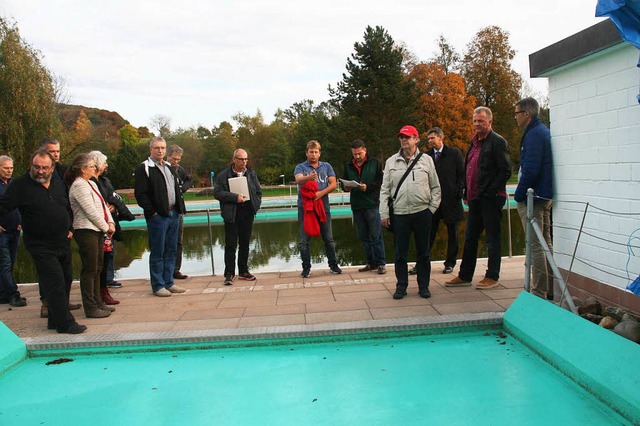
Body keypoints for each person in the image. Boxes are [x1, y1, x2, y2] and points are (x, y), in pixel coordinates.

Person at [0, 149, 86, 333]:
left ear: (52, 167)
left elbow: (66, 206)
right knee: (54, 282)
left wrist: (70, 227)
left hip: (62, 241)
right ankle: (65, 324)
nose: (40, 171)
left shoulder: (58, 182)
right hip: (39, 244)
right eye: (36, 167)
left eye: (44, 168)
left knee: (66, 279)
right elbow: (3, 206)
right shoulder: (20, 186)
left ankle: (54, 320)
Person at [446, 107, 512, 289]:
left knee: (492, 238)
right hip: (475, 198)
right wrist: (467, 192)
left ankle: (492, 276)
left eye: (481, 121)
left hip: (490, 198)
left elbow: (506, 170)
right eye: (475, 121)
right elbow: (470, 170)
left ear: (489, 122)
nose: (477, 124)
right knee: (470, 237)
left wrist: (490, 191)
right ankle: (465, 275)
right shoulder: (473, 143)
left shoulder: (497, 142)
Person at [380, 125, 441, 299]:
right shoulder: (391, 161)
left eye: (407, 137)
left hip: (422, 212)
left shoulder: (426, 160)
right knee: (400, 254)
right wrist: (384, 213)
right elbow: (385, 190)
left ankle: (424, 286)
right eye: (401, 137)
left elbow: (436, 187)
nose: (404, 140)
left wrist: (431, 210)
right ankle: (401, 286)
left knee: (423, 252)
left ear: (416, 139)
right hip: (399, 214)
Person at [134, 137, 187, 297]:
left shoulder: (169, 167)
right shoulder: (145, 168)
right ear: (151, 149)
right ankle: (158, 285)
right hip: (158, 217)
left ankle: (169, 282)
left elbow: (176, 188)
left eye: (163, 148)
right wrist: (152, 212)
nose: (160, 150)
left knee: (171, 250)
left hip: (173, 214)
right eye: (157, 147)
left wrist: (178, 209)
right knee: (158, 251)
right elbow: (140, 194)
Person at [67, 154, 116, 318]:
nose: (95, 168)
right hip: (86, 231)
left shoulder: (90, 184)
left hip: (97, 231)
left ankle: (98, 302)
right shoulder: (79, 185)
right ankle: (90, 307)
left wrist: (111, 223)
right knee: (90, 269)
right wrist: (106, 227)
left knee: (98, 267)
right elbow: (90, 212)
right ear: (82, 169)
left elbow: (102, 205)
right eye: (91, 166)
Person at [513, 97, 553, 299]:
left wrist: (519, 195)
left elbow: (531, 169)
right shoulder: (540, 131)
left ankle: (539, 292)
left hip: (534, 198)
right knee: (544, 242)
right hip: (542, 195)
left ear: (526, 113)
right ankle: (549, 288)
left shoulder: (534, 135)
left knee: (536, 244)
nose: (515, 117)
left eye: (517, 113)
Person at [39, 137, 82, 317]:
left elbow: (69, 199)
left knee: (66, 268)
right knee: (47, 269)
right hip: (45, 229)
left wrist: (71, 227)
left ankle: (63, 301)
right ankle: (46, 304)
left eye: (57, 151)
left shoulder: (64, 171)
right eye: (52, 151)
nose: (56, 154)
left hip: (64, 226)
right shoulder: (38, 174)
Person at [88, 151, 135, 304]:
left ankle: (106, 283)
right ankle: (99, 292)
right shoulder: (90, 182)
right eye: (104, 163)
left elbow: (112, 197)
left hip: (109, 222)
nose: (107, 165)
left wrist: (114, 208)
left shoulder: (104, 180)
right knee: (99, 259)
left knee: (109, 254)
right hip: (100, 226)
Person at [213, 149, 263, 285]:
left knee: (245, 243)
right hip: (232, 213)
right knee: (230, 244)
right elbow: (217, 193)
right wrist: (235, 198)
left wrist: (256, 205)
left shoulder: (251, 173)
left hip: (247, 212)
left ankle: (243, 271)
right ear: (234, 159)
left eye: (246, 159)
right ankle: (229, 273)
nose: (244, 162)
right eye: (241, 159)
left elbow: (258, 191)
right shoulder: (223, 176)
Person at [294, 140, 342, 278]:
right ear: (307, 153)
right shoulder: (301, 167)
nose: (313, 154)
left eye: (316, 152)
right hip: (306, 208)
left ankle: (333, 265)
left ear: (319, 153)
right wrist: (309, 177)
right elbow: (298, 180)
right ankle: (306, 268)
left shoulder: (326, 166)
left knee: (329, 238)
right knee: (304, 240)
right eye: (311, 152)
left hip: (323, 206)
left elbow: (333, 184)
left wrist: (320, 193)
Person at [343, 140, 386, 275]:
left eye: (359, 153)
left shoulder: (375, 163)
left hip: (371, 204)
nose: (357, 157)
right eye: (355, 154)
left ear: (365, 150)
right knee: (363, 236)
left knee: (376, 235)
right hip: (357, 205)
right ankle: (370, 262)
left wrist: (367, 187)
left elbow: (380, 182)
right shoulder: (348, 165)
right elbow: (344, 183)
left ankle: (381, 263)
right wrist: (346, 187)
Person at [425, 127, 464, 275]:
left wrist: (458, 193)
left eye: (432, 138)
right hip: (433, 201)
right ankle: (423, 262)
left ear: (441, 138)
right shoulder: (426, 156)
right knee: (429, 233)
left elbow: (462, 175)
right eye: (428, 139)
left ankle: (450, 263)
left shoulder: (454, 153)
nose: (429, 141)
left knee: (452, 233)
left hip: (451, 200)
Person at [0, 156, 25, 307]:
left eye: (11, 168)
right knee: (5, 263)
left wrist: (21, 221)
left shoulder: (14, 184)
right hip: (2, 232)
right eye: (5, 168)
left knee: (10, 262)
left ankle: (4, 293)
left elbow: (20, 203)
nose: (9, 171)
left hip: (14, 229)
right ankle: (13, 294)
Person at [166, 145, 193, 280]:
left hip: (178, 210)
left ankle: (176, 269)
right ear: (167, 156)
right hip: (164, 210)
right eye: (173, 159)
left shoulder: (179, 169)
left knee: (178, 241)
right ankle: (165, 270)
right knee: (165, 242)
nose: (175, 162)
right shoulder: (162, 168)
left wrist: (182, 189)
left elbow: (189, 179)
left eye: (178, 159)